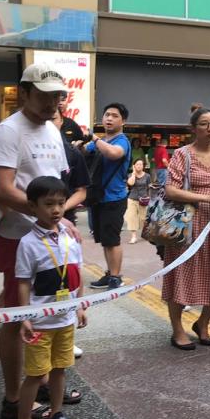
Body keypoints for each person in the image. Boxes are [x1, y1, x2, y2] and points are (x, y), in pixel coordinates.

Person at [0, 63, 84, 419]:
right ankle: (13, 399)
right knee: (17, 317)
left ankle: (41, 384)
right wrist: (43, 215)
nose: (52, 103)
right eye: (44, 96)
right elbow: (3, 189)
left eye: (57, 96)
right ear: (24, 93)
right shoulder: (9, 131)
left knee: (51, 311)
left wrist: (61, 221)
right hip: (17, 238)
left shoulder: (52, 131)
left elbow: (55, 186)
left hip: (49, 239)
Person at [11, 176, 87, 419]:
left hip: (64, 321)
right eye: (48, 204)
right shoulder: (28, 243)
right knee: (35, 375)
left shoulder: (70, 238)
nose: (56, 209)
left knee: (60, 369)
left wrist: (80, 306)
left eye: (60, 203)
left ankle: (57, 415)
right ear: (33, 207)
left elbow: (77, 274)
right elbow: (22, 282)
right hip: (41, 323)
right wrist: (25, 317)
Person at [162, 107, 210, 350]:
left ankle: (202, 323)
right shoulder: (182, 154)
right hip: (186, 225)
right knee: (181, 276)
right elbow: (170, 189)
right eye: (204, 124)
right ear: (193, 129)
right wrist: (207, 198)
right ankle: (177, 329)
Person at [84, 102, 131, 290]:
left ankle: (116, 277)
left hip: (115, 198)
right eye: (106, 115)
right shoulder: (103, 140)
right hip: (99, 197)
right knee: (105, 240)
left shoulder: (121, 141)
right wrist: (79, 143)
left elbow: (114, 154)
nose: (109, 118)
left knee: (112, 240)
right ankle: (110, 273)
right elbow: (82, 151)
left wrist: (94, 139)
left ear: (123, 121)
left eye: (114, 115)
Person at [124, 158, 151, 245]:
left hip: (143, 200)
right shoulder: (130, 175)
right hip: (132, 198)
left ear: (143, 166)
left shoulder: (147, 176)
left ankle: (146, 234)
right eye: (137, 164)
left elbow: (149, 187)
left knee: (143, 218)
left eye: (141, 164)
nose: (139, 166)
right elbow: (130, 183)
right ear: (134, 166)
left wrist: (149, 197)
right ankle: (133, 236)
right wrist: (133, 174)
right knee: (132, 217)